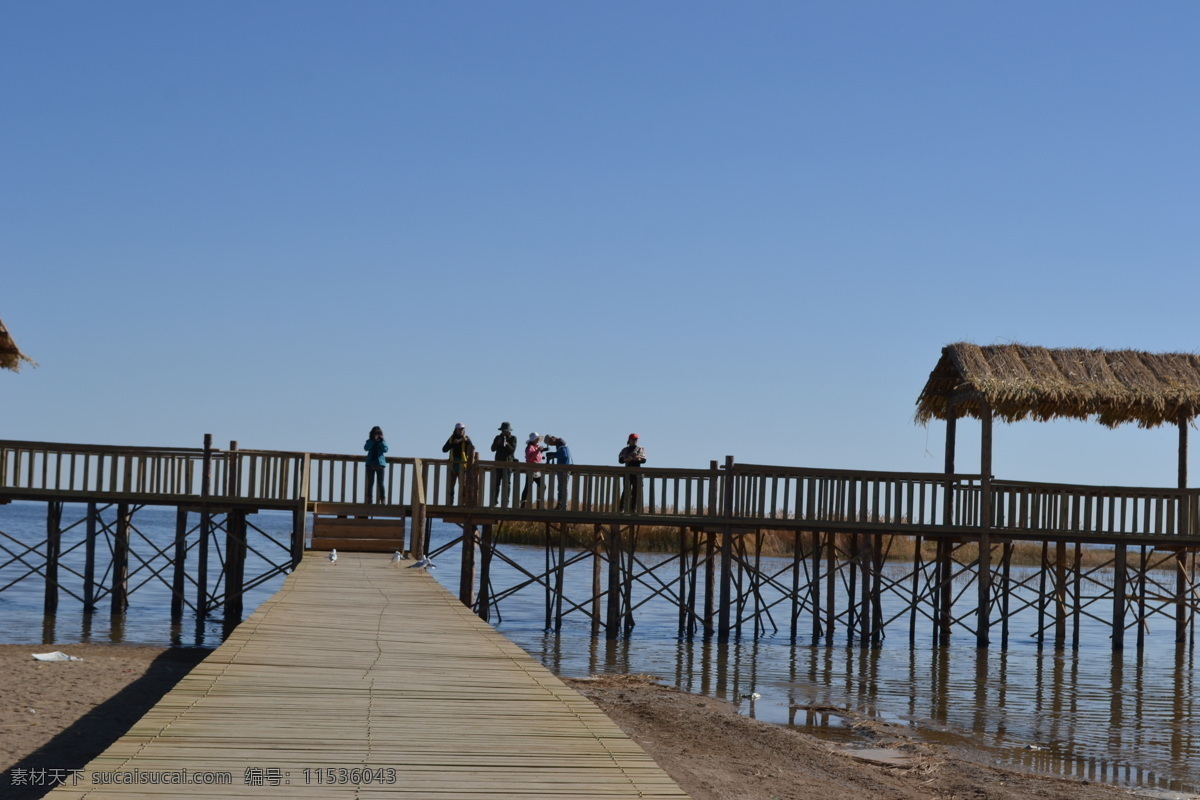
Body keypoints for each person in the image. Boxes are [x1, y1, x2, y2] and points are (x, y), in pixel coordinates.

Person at [441, 422, 474, 504]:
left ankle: (462, 503)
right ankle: (450, 503)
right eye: (460, 429)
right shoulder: (452, 438)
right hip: (452, 465)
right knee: (451, 486)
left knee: (463, 486)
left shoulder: (466, 438)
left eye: (463, 429)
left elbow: (472, 448)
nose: (461, 431)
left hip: (463, 465)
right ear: (456, 430)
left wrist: (467, 441)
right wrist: (453, 444)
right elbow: (444, 449)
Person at [490, 421, 517, 506]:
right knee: (496, 483)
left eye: (506, 431)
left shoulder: (513, 438)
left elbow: (512, 450)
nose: (505, 432)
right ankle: (494, 501)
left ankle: (506, 501)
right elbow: (492, 449)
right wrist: (497, 443)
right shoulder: (498, 437)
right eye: (503, 431)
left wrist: (507, 444)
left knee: (507, 484)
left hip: (508, 464)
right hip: (498, 463)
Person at [618, 433, 646, 512]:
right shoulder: (625, 450)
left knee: (635, 491)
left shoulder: (640, 449)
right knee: (626, 490)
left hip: (637, 473)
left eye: (636, 439)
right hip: (627, 472)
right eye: (633, 439)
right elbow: (620, 460)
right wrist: (626, 459)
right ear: (629, 440)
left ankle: (633, 509)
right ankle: (621, 508)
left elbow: (644, 460)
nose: (634, 441)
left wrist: (638, 459)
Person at [543, 435, 572, 510]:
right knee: (561, 487)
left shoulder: (561, 443)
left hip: (564, 468)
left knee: (563, 487)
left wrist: (552, 455)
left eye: (550, 443)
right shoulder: (560, 443)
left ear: (552, 439)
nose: (551, 445)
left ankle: (563, 506)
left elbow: (564, 455)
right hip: (562, 468)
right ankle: (560, 505)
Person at [520, 432, 547, 508]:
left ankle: (538, 502)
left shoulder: (535, 447)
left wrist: (540, 453)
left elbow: (536, 458)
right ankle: (523, 504)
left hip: (537, 471)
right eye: (537, 439)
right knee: (527, 487)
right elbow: (529, 458)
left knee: (543, 486)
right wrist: (538, 451)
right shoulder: (530, 447)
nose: (538, 440)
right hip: (531, 470)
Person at [363, 426, 388, 504]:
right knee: (370, 482)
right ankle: (369, 498)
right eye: (375, 433)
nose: (376, 435)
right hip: (370, 464)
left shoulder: (382, 442)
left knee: (381, 483)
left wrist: (381, 441)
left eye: (378, 433)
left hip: (380, 464)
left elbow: (386, 449)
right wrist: (373, 441)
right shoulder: (369, 441)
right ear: (372, 434)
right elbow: (366, 448)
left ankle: (383, 499)